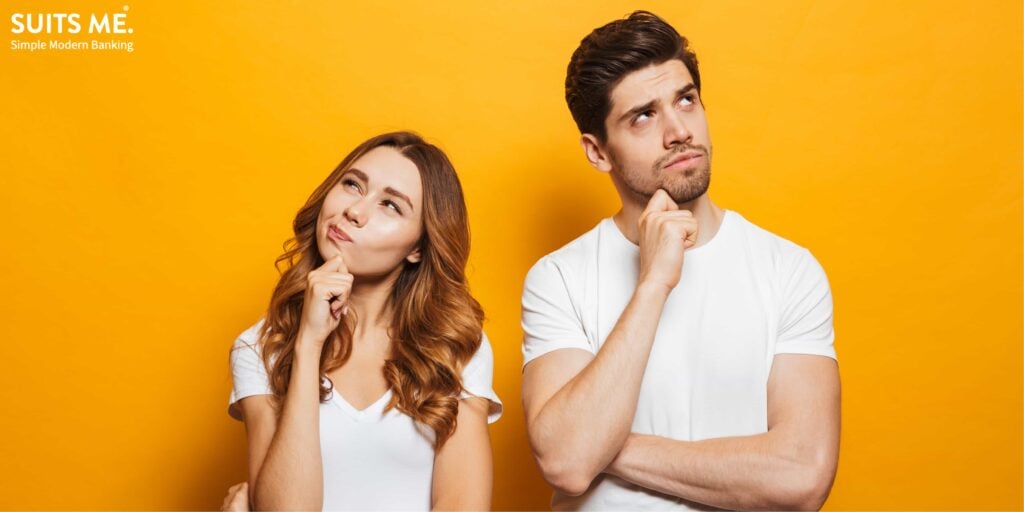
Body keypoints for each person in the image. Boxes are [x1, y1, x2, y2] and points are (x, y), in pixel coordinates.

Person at [521, 11, 840, 510]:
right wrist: (653, 284)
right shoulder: (558, 278)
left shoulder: (789, 270)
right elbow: (565, 462)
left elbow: (801, 477)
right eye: (643, 115)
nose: (678, 132)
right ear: (598, 151)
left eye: (685, 100)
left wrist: (603, 445)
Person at [222, 131, 502, 510]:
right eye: (353, 184)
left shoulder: (454, 347)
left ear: (418, 247)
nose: (355, 211)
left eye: (391, 205)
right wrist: (308, 343)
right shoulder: (260, 348)